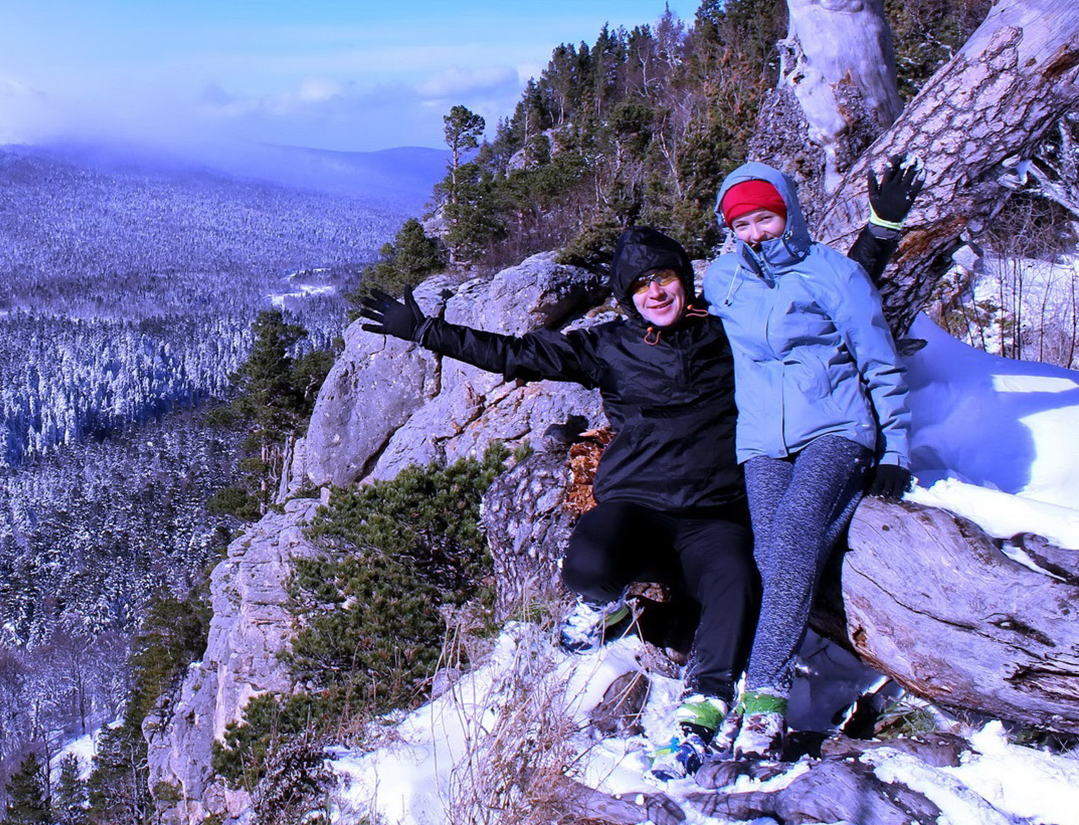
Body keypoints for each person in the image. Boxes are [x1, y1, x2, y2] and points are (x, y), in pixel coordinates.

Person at [358, 163, 918, 778]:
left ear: (686, 281)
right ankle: (608, 602)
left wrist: (882, 230)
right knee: (590, 559)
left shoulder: (725, 327)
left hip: (714, 516)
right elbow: (516, 355)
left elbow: (820, 293)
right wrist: (427, 332)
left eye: (666, 279)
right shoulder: (606, 347)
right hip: (640, 506)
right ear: (626, 298)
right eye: (641, 285)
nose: (656, 293)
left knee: (737, 585)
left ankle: (704, 711)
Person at [704, 162, 915, 765]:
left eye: (765, 218)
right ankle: (783, 666)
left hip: (837, 430)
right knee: (773, 557)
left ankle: (765, 697)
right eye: (740, 223)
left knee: (795, 532)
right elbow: (684, 320)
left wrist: (895, 447)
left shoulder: (832, 272)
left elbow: (878, 360)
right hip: (763, 442)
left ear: (789, 213)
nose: (755, 233)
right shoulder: (725, 282)